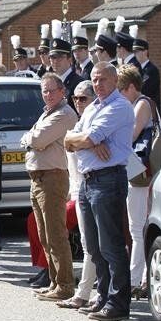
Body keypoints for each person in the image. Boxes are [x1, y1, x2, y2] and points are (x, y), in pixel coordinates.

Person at [64, 62, 134, 321]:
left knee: (111, 244)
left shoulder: (119, 107)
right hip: (88, 180)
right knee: (93, 246)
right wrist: (91, 144)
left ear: (115, 81)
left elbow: (84, 138)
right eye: (94, 79)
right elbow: (68, 140)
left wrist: (87, 141)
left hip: (108, 179)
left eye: (103, 79)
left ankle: (118, 302)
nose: (97, 84)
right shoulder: (93, 107)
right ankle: (102, 296)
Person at [21, 73, 78, 301]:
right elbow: (34, 138)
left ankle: (65, 285)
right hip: (38, 178)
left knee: (56, 234)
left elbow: (37, 140)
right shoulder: (48, 113)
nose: (47, 95)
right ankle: (55, 282)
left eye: (52, 90)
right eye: (44, 91)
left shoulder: (64, 114)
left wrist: (31, 139)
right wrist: (32, 139)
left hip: (52, 178)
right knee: (44, 235)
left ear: (62, 91)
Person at [57, 81, 98, 309]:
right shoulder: (80, 123)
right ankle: (88, 291)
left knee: (94, 242)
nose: (78, 102)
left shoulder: (95, 122)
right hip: (76, 189)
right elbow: (68, 142)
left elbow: (82, 142)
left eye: (83, 98)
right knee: (87, 241)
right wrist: (75, 140)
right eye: (75, 98)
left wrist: (77, 141)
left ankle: (86, 292)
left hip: (93, 187)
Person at [116, 66, 155, 298]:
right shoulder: (138, 103)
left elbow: (130, 135)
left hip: (141, 171)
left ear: (131, 87)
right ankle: (143, 278)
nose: (119, 94)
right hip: (137, 170)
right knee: (139, 226)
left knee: (137, 227)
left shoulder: (142, 104)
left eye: (121, 89)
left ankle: (135, 279)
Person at [48, 21, 83, 110]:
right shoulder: (50, 83)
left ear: (69, 59)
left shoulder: (78, 83)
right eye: (52, 57)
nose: (55, 61)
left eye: (60, 57)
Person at [132, 35, 161, 110]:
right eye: (134, 52)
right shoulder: (137, 69)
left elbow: (144, 89)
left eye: (137, 52)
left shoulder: (152, 70)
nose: (135, 55)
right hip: (140, 107)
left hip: (150, 109)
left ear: (145, 52)